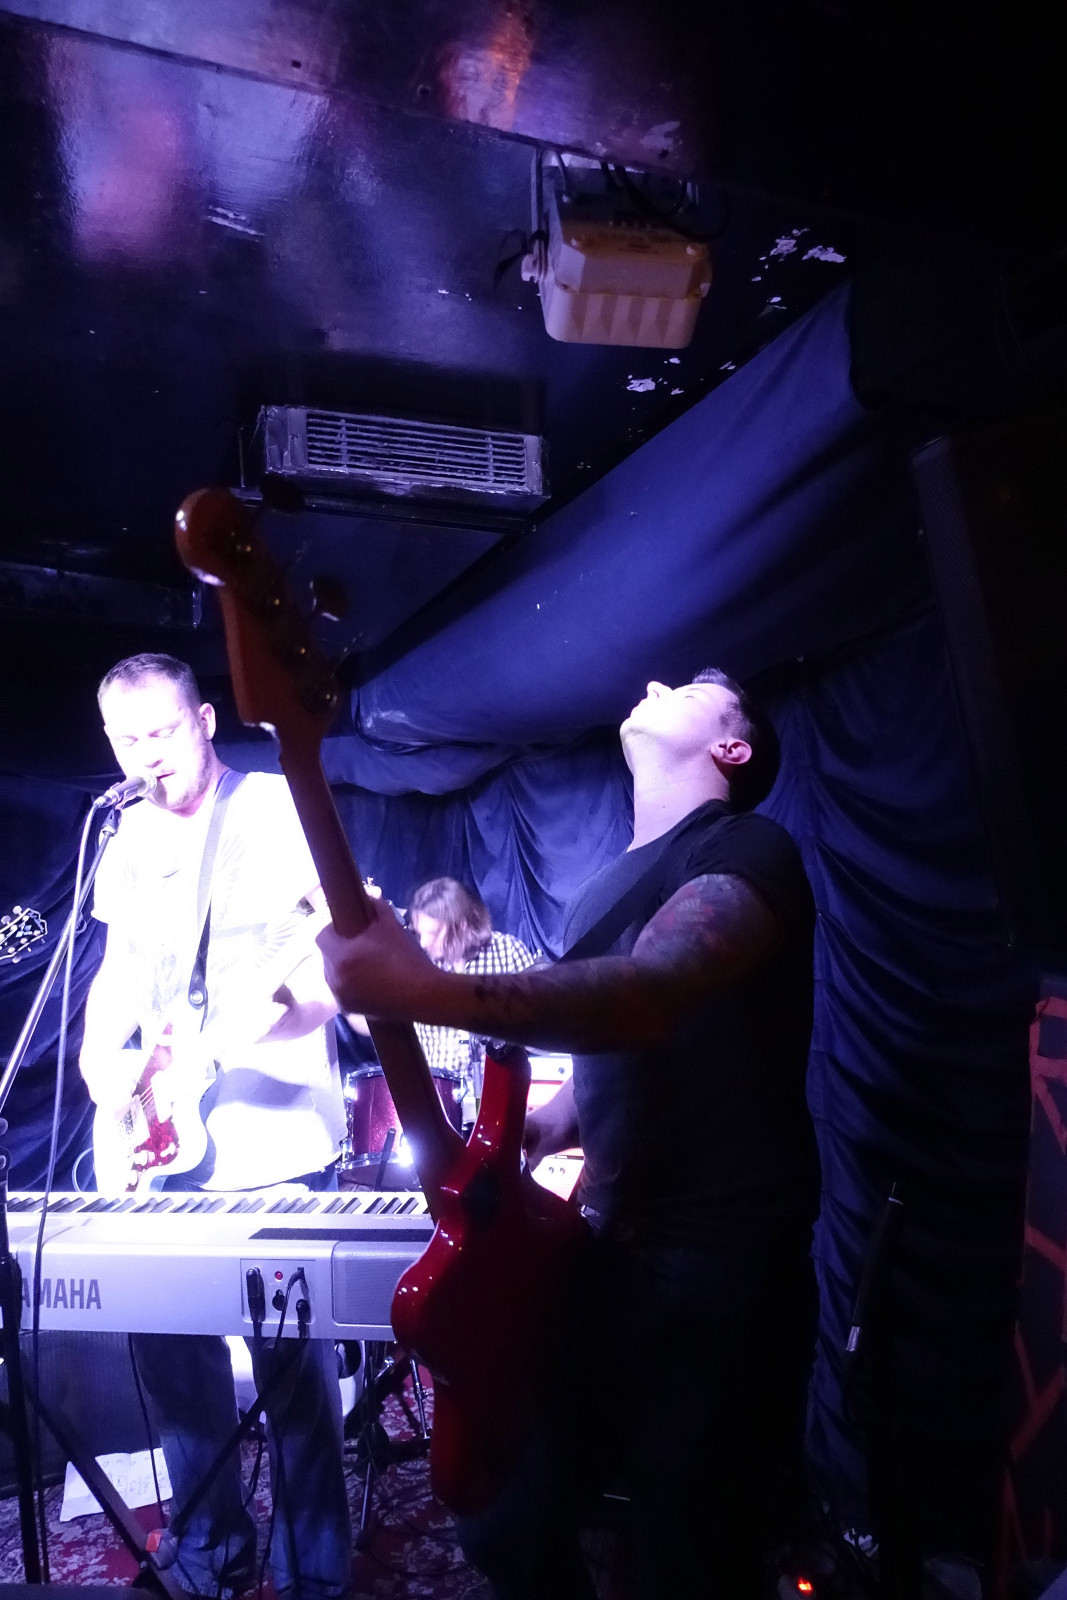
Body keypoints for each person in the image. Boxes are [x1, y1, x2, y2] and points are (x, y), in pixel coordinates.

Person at [318, 668, 820, 1600]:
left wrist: (420, 988)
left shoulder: (747, 846)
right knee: (503, 1516)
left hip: (718, 1267)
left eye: (692, 689)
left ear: (732, 746)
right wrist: (547, 1125)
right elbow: (628, 1054)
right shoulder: (604, 889)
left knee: (689, 1554)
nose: (656, 681)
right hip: (612, 1252)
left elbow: (652, 996)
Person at [79, 653, 350, 1600]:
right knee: (174, 1372)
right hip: (157, 1149)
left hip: (273, 1141)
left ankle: (316, 1576)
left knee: (293, 1382)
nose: (146, 755)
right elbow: (118, 972)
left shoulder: (279, 810)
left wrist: (278, 1021)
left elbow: (334, 968)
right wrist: (102, 1067)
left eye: (161, 731)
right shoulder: (123, 835)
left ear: (203, 720)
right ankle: (208, 1556)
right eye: (126, 740)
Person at [406, 877, 539, 1104]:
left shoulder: (508, 953)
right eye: (419, 934)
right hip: (437, 1102)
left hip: (498, 1099)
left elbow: (541, 1026)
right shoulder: (419, 967)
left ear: (461, 925)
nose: (423, 943)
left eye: (432, 933)